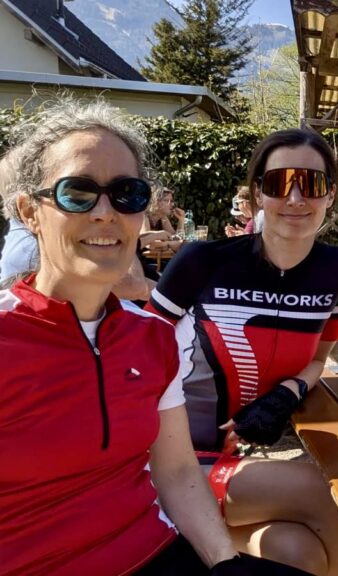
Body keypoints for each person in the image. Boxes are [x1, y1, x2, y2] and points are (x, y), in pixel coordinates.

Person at [0, 98, 298, 574]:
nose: (105, 212)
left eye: (127, 193)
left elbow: (176, 472)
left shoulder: (154, 337)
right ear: (30, 212)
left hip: (155, 553)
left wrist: (225, 564)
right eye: (78, 193)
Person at [146, 128, 338, 576]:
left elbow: (319, 359)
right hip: (171, 464)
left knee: (297, 551)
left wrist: (286, 394)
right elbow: (139, 356)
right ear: (258, 193)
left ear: (331, 194)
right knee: (322, 490)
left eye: (312, 184)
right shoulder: (202, 261)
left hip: (232, 463)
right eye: (279, 183)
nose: (296, 198)